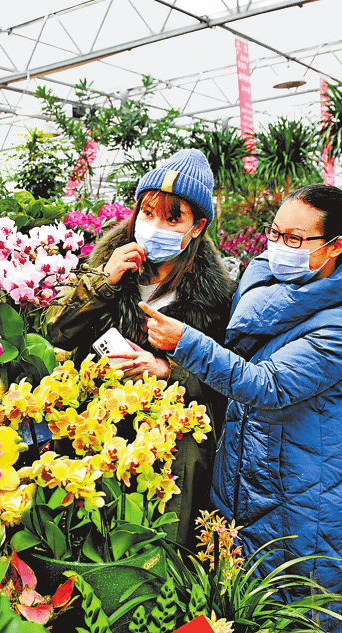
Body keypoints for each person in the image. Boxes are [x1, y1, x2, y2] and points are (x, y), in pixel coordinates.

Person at [142, 184, 342, 627]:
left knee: (303, 612)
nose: (278, 247)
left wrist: (184, 344)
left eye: (295, 239)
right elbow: (233, 365)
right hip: (244, 480)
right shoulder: (263, 281)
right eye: (274, 233)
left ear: (335, 247)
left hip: (302, 502)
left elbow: (268, 385)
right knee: (243, 610)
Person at [46, 149, 237, 546]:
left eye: (172, 217)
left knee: (153, 543)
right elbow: (57, 333)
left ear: (197, 226)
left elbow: (227, 381)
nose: (154, 225)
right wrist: (103, 280)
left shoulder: (217, 298)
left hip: (171, 446)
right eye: (148, 212)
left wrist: (169, 371)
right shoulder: (107, 264)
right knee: (91, 536)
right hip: (93, 426)